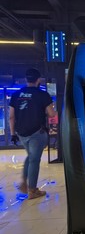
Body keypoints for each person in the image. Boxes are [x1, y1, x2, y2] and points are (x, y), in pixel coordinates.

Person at [9, 68, 57, 199]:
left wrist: (13, 134)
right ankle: (32, 190)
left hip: (21, 133)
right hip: (37, 132)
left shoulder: (16, 95)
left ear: (26, 80)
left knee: (31, 156)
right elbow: (51, 114)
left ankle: (24, 182)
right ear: (38, 80)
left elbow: (11, 117)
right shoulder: (42, 95)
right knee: (34, 160)